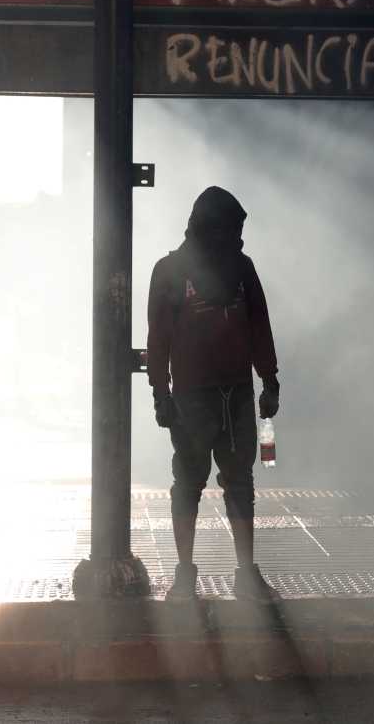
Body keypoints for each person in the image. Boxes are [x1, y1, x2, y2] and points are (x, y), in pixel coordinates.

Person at [147, 186, 280, 601]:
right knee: (188, 484)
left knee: (240, 482)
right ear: (210, 228)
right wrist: (160, 393)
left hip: (237, 393)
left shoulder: (242, 269)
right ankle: (184, 575)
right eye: (231, 229)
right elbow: (159, 340)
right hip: (191, 398)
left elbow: (260, 327)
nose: (238, 239)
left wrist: (269, 379)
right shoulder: (169, 272)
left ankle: (246, 574)